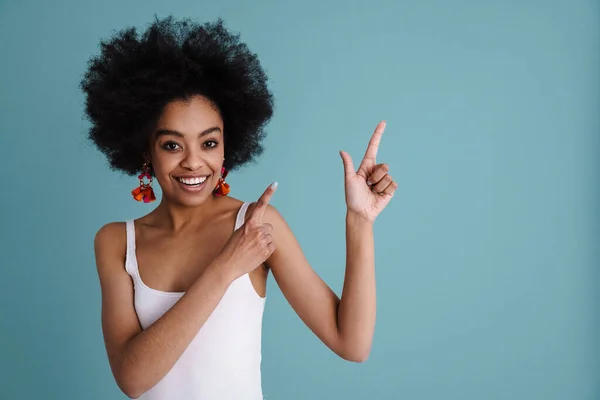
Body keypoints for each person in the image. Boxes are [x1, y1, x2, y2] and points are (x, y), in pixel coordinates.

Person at [81, 15, 397, 400]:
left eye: (209, 143)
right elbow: (133, 379)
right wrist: (226, 267)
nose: (194, 163)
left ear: (228, 145)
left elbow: (353, 344)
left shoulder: (257, 225)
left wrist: (360, 221)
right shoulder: (116, 242)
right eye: (172, 145)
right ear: (145, 151)